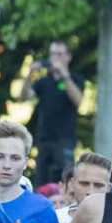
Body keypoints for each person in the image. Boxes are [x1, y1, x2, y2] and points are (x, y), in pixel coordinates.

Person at [19, 41, 86, 187]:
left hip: (65, 139)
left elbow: (78, 100)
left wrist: (64, 75)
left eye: (59, 54)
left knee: (66, 180)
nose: (55, 58)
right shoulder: (44, 82)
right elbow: (23, 97)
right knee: (41, 182)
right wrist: (30, 74)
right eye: (52, 54)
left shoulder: (75, 79)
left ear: (68, 57)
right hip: (44, 139)